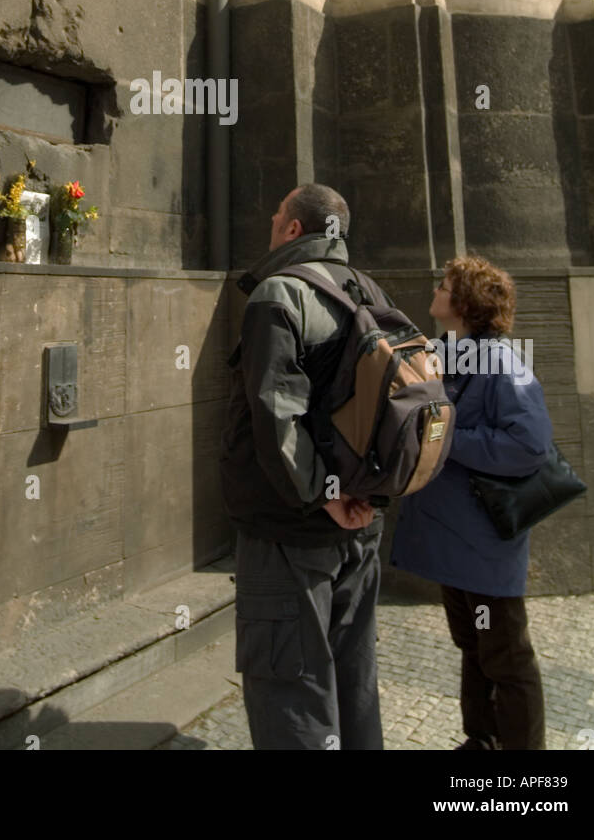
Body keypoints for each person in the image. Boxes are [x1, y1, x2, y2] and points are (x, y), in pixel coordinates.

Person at [219, 183, 393, 750]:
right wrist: (356, 497)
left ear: (294, 229)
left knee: (290, 689)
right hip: (361, 526)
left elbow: (276, 415)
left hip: (290, 532)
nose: (272, 226)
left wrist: (322, 494)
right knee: (352, 681)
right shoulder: (368, 289)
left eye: (276, 219)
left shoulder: (278, 293)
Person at [390, 255, 553, 750]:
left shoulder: (502, 363)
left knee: (507, 655)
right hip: (453, 538)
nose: (434, 290)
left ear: (463, 303)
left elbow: (529, 445)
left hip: (483, 542)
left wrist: (447, 437)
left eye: (443, 285)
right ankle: (481, 742)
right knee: (472, 645)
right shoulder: (445, 351)